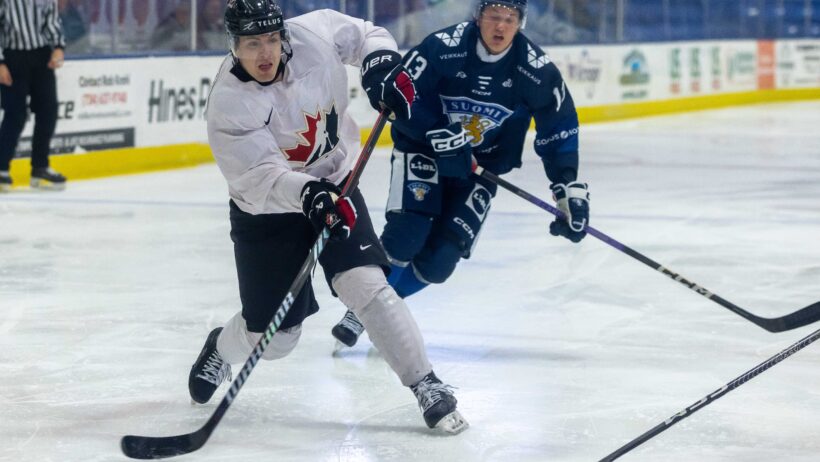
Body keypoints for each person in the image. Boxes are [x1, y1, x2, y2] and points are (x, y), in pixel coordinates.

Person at [187, 0, 467, 434]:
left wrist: (380, 67)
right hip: (269, 210)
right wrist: (308, 193)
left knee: (367, 286)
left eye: (272, 40)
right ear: (233, 46)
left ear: (283, 35)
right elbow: (258, 179)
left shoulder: (314, 32)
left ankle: (425, 383)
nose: (266, 53)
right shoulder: (228, 103)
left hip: (336, 184)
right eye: (252, 44)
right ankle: (221, 348)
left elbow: (369, 35)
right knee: (276, 339)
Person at [331, 0, 591, 347]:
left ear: (520, 23)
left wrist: (566, 187)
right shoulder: (444, 47)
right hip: (423, 149)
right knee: (407, 233)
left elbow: (558, 127)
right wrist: (433, 129)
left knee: (440, 261)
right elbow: (399, 95)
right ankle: (364, 310)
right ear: (478, 17)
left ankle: (385, 304)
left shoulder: (535, 70)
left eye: (510, 20)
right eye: (494, 17)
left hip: (480, 166)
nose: (500, 27)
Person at [0, 0, 67, 192]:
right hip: (12, 56)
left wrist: (58, 47)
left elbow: (52, 20)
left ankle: (40, 167)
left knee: (48, 111)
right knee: (16, 114)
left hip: (41, 57)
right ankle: (1, 167)